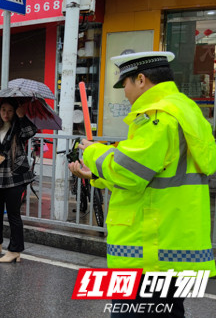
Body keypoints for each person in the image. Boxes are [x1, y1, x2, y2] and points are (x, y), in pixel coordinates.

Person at [68, 51, 216, 317]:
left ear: (141, 79)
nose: (124, 92)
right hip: (173, 246)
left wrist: (92, 151)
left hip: (149, 254)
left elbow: (129, 171)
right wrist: (94, 176)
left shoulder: (158, 118)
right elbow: (150, 177)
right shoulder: (185, 109)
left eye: (124, 84)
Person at [0, 99, 37, 263]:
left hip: (14, 178)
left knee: (14, 215)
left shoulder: (19, 129)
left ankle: (15, 250)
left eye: (10, 110)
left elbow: (31, 131)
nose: (5, 113)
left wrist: (22, 117)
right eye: (3, 110)